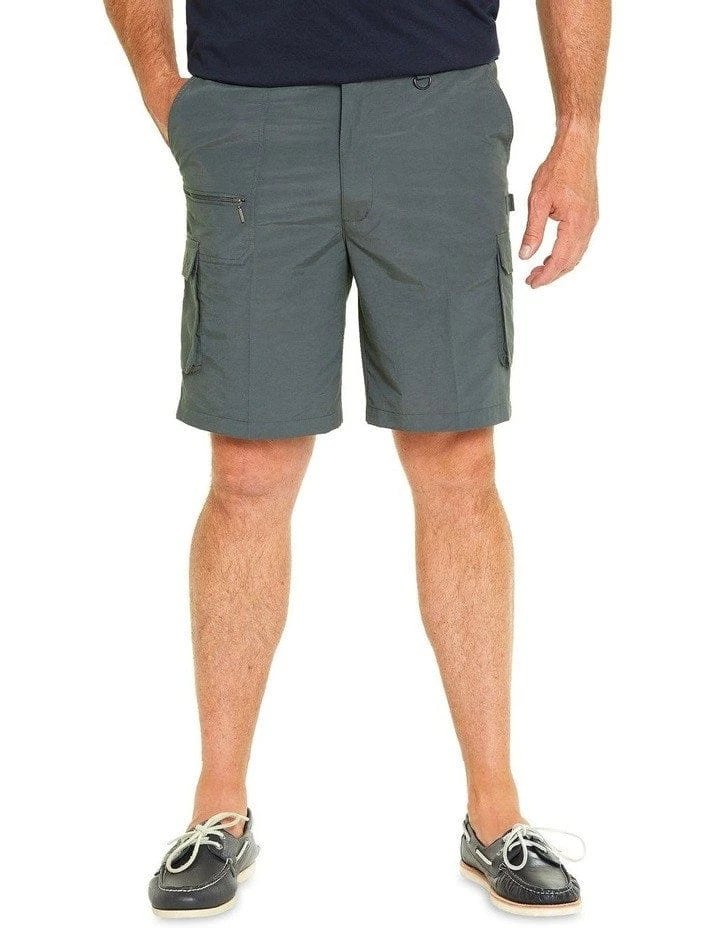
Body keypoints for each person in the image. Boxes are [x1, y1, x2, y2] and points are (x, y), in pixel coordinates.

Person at [104, 0, 609, 918]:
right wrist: (160, 87)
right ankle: (217, 810)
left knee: (457, 460)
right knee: (248, 470)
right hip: (248, 111)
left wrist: (578, 133)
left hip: (439, 110)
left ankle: (496, 814)